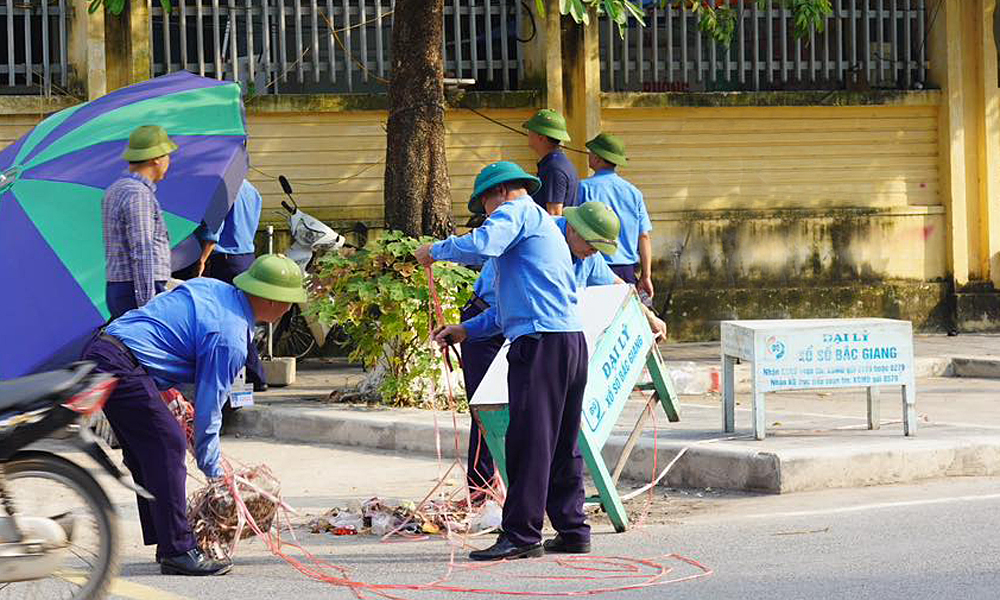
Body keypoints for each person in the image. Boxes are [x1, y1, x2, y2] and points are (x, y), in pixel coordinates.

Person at [80, 254, 307, 576]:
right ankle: (178, 550)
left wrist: (168, 394)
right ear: (270, 300)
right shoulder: (229, 336)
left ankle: (167, 538)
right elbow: (210, 407)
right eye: (287, 301)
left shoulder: (213, 288)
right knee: (168, 446)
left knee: (150, 452)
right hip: (122, 365)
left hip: (106, 351)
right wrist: (215, 471)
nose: (288, 309)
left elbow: (159, 334)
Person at [415, 161, 589, 561]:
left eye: (485, 205)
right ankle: (573, 528)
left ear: (500, 192)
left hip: (540, 344)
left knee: (528, 441)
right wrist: (466, 330)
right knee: (562, 439)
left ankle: (522, 536)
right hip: (568, 341)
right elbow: (505, 310)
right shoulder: (541, 228)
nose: (487, 214)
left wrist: (435, 251)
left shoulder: (516, 212)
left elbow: (482, 243)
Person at [459, 202, 666, 495]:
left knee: (548, 429)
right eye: (591, 245)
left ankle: (555, 517)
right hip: (496, 321)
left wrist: (649, 316)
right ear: (574, 229)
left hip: (543, 336)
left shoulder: (584, 253)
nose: (592, 253)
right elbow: (499, 295)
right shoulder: (536, 239)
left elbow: (616, 284)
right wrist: (435, 253)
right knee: (489, 412)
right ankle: (483, 493)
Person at [102, 125, 177, 319]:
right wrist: (148, 306)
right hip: (138, 288)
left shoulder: (115, 189)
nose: (170, 162)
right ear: (157, 159)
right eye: (168, 155)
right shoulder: (137, 194)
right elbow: (142, 249)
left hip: (122, 286)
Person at [203, 180, 268, 392]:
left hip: (226, 259)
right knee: (245, 318)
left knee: (229, 320)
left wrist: (202, 260)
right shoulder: (252, 190)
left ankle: (252, 373)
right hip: (247, 256)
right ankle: (256, 374)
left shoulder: (222, 188)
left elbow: (214, 230)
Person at [578, 132, 655, 301]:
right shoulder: (634, 192)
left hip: (595, 268)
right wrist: (646, 276)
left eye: (591, 152)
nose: (588, 156)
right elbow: (644, 236)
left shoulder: (583, 188)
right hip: (627, 270)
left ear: (597, 158)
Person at [522, 109, 579, 217]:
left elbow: (554, 214)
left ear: (541, 138)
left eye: (530, 131)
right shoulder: (557, 162)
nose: (528, 134)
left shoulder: (553, 168)